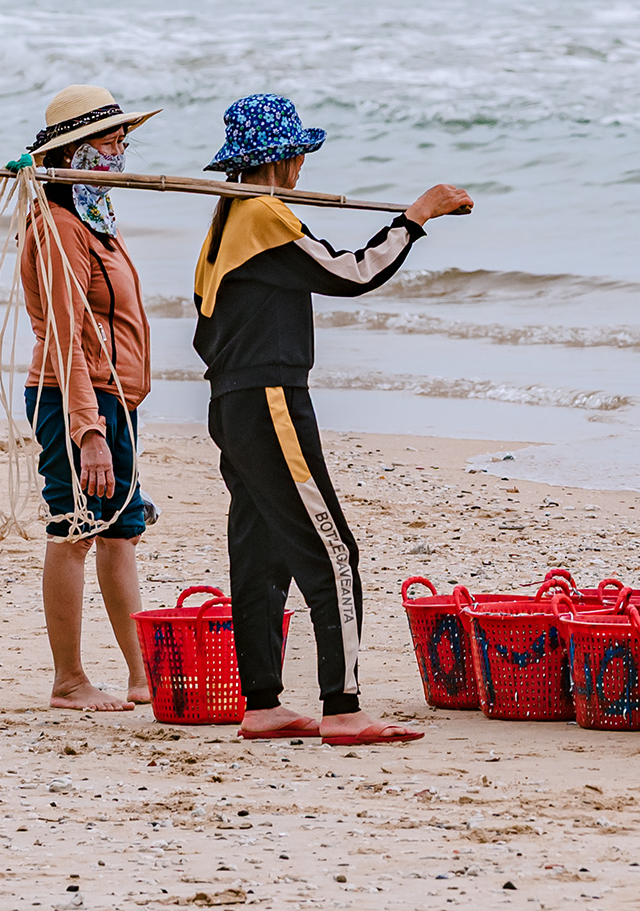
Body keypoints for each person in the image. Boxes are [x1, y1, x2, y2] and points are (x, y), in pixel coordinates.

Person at [192, 94, 472, 745]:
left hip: (232, 402)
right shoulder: (261, 215)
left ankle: (261, 701)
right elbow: (353, 273)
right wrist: (416, 216)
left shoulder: (229, 218)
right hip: (268, 399)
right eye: (301, 155)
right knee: (332, 549)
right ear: (287, 158)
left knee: (260, 550)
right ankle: (342, 706)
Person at [20, 84, 161, 711]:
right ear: (75, 152)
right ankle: (70, 680)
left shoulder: (94, 219)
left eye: (124, 138)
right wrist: (89, 429)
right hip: (74, 398)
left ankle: (141, 674)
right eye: (111, 140)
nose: (122, 149)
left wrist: (115, 415)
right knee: (75, 526)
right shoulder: (57, 228)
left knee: (120, 530)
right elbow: (63, 335)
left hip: (113, 401)